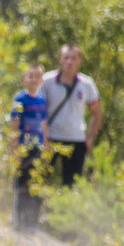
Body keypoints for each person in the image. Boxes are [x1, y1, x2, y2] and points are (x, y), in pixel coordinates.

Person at [41, 44, 103, 186]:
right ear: (60, 60)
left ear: (79, 60)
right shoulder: (47, 81)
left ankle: (66, 209)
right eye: (66, 58)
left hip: (76, 139)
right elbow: (39, 111)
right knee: (40, 179)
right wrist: (44, 138)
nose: (69, 62)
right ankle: (31, 209)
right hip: (51, 139)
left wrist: (90, 139)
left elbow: (97, 113)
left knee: (72, 185)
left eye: (73, 58)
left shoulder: (86, 84)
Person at [9, 63, 48, 229]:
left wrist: (47, 145)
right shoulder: (19, 99)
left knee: (36, 185)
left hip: (37, 148)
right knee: (21, 184)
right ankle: (18, 222)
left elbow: (44, 125)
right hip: (23, 148)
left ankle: (32, 222)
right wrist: (15, 148)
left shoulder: (42, 100)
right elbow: (15, 125)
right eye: (30, 76)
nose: (34, 80)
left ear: (42, 80)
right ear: (24, 79)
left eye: (37, 76)